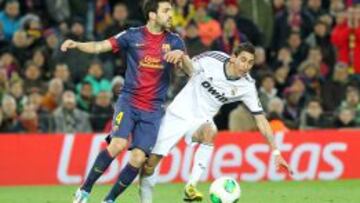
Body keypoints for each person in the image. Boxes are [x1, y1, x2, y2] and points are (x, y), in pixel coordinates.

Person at [60, 1, 186, 203]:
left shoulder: (176, 41)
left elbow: (189, 71)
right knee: (117, 144)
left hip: (153, 109)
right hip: (129, 102)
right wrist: (77, 44)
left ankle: (109, 200)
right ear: (152, 15)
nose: (171, 15)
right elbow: (100, 46)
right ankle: (84, 191)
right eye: (166, 11)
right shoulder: (132, 35)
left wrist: (183, 58)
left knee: (138, 159)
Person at [139, 42, 293, 202]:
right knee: (149, 165)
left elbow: (261, 120)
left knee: (210, 131)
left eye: (250, 62)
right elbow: (189, 69)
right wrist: (182, 57)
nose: (245, 66)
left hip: (200, 121)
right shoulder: (213, 59)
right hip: (177, 114)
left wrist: (276, 152)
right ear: (233, 58)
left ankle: (190, 186)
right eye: (243, 60)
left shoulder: (247, 86)